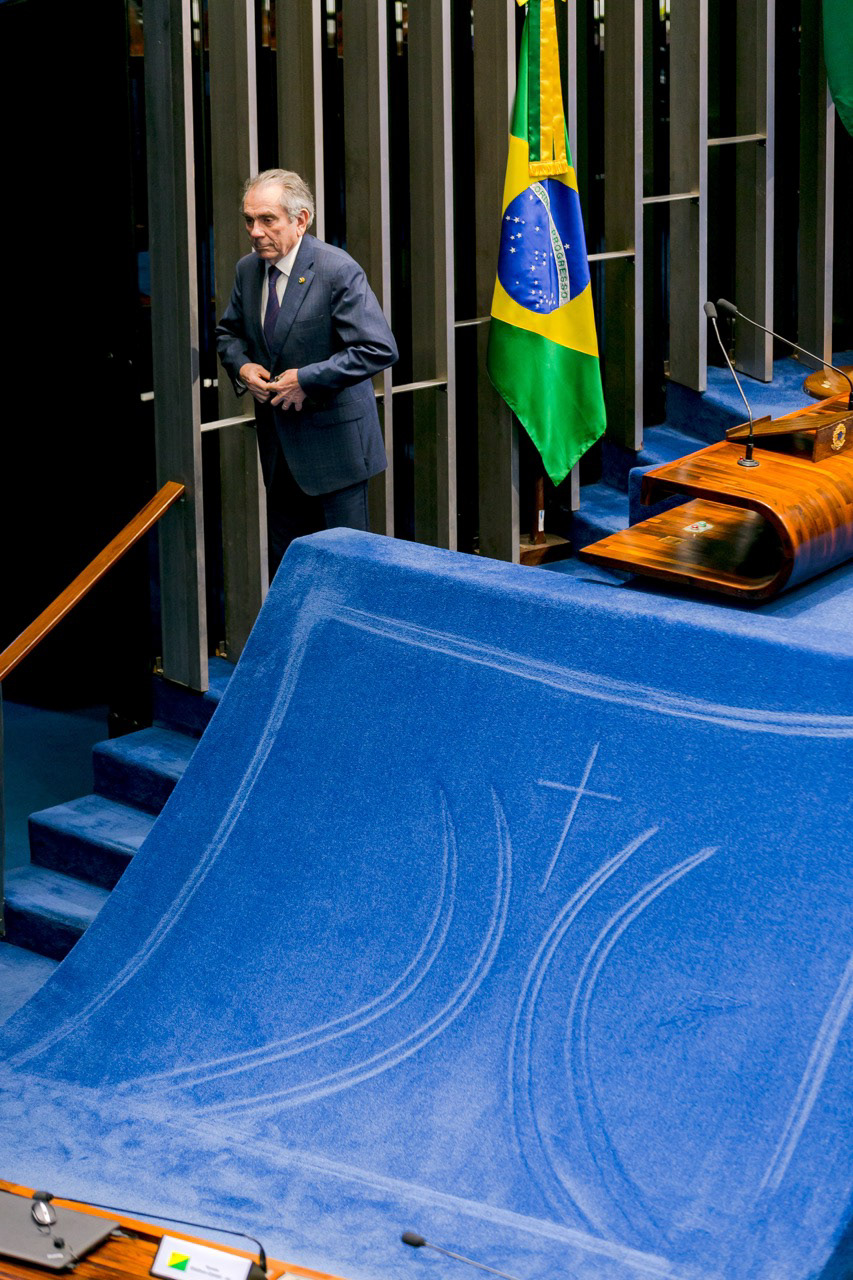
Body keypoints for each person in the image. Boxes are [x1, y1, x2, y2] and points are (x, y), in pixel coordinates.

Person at [216, 169, 398, 574]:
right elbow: (228, 334)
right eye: (249, 220)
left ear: (300, 221)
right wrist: (243, 367)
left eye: (268, 220)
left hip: (336, 455)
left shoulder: (336, 269)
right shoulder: (248, 270)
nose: (256, 231)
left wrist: (306, 379)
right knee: (292, 574)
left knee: (345, 575)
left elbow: (378, 348)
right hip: (280, 455)